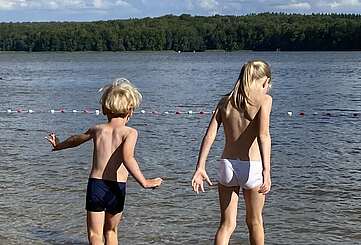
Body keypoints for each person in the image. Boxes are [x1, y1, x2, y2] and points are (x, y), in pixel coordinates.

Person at [47, 78, 163, 245]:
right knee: (111, 231)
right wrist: (144, 181)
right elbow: (128, 157)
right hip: (117, 186)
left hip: (96, 185)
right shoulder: (130, 132)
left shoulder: (97, 129)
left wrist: (58, 146)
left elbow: (75, 140)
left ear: (104, 109)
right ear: (130, 110)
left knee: (95, 235)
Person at [191, 60, 272, 245]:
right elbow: (263, 136)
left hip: (227, 166)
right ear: (264, 81)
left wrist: (200, 166)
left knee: (226, 225)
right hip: (252, 166)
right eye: (268, 84)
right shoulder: (264, 101)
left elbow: (210, 135)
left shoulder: (225, 101)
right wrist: (267, 171)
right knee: (255, 222)